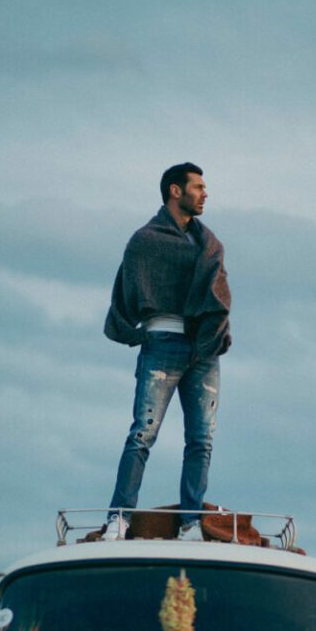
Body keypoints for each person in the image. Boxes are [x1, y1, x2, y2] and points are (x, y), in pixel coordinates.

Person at [102, 162, 232, 541]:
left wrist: (211, 336)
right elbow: (124, 293)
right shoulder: (145, 240)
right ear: (176, 191)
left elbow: (219, 297)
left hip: (204, 350)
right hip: (161, 343)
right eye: (198, 186)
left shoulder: (210, 244)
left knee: (201, 440)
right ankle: (119, 518)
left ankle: (191, 522)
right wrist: (137, 334)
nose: (205, 193)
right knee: (143, 433)